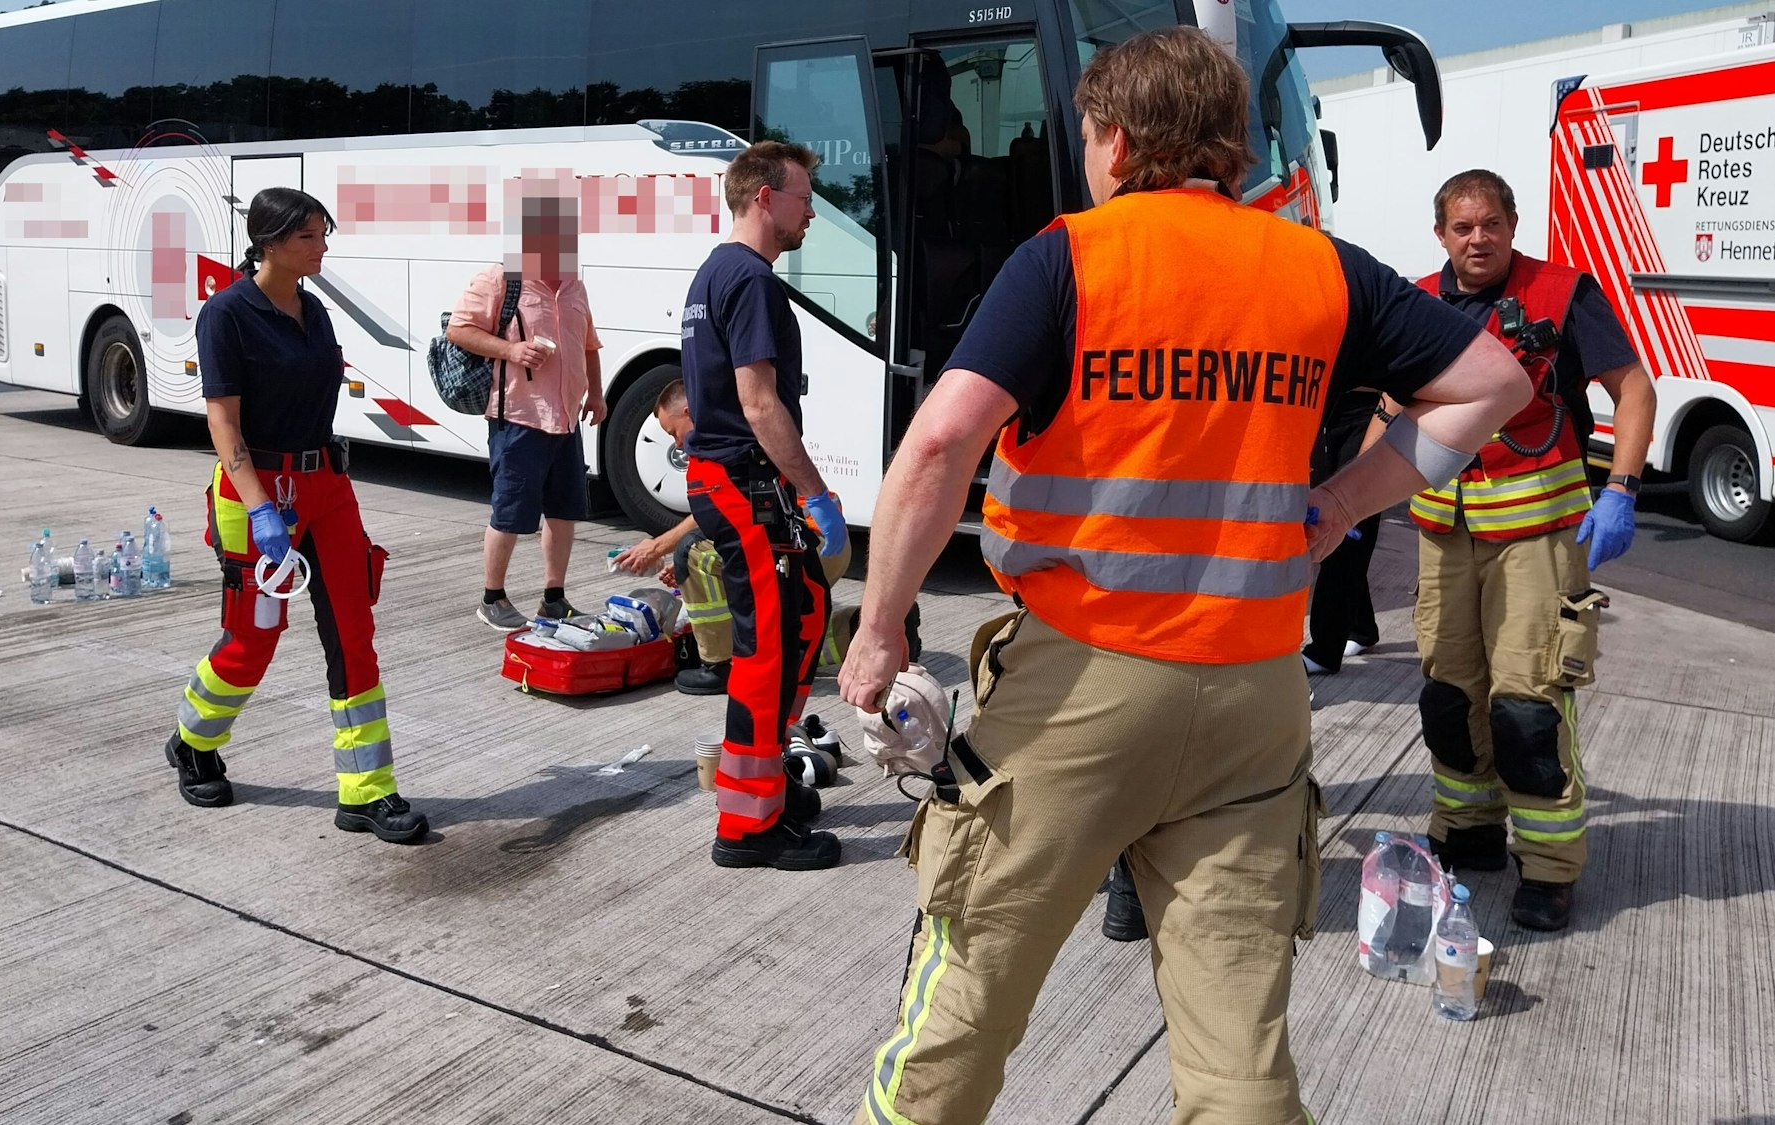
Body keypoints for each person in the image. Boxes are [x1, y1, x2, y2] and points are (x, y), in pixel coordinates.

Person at [835, 27, 1531, 1124]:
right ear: (1230, 144)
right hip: (1254, 693)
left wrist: (877, 630)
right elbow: (1489, 383)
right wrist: (1340, 505)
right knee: (1236, 1047)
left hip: (1080, 692)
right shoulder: (1320, 266)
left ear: (1115, 138)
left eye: (1086, 136)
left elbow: (936, 445)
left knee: (968, 996)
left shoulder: (1070, 255)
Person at [1365, 168, 1657, 932]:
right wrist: (1347, 502)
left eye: (1490, 223)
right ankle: (1469, 832)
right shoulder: (1418, 300)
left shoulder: (1562, 295)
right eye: (1462, 227)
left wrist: (1622, 486)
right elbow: (1393, 407)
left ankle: (1550, 865)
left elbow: (1634, 388)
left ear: (1512, 223)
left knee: (1527, 708)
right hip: (1443, 536)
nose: (1477, 239)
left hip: (1536, 537)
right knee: (1450, 696)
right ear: (1441, 235)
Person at [163, 187, 426, 843]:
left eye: (322, 234)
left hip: (326, 488)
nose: (323, 247)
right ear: (272, 241)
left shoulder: (315, 311)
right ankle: (194, 740)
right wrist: (261, 512)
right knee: (254, 638)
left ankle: (368, 792)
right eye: (310, 236)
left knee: (354, 635)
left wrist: (313, 491)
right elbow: (223, 423)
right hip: (256, 492)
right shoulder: (227, 314)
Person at [680, 140, 850, 871]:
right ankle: (748, 827)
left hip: (741, 482)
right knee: (765, 649)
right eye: (803, 195)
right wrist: (816, 492)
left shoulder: (719, 272)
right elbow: (757, 403)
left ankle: (769, 777)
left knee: (806, 610)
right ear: (763, 198)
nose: (812, 208)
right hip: (744, 482)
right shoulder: (750, 279)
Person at [609, 380, 865, 696]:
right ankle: (862, 630)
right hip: (819, 542)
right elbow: (736, 518)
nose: (676, 444)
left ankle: (720, 665)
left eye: (673, 432)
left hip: (802, 547)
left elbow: (715, 513)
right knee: (784, 639)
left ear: (689, 413)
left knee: (692, 553)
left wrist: (659, 548)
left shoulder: (721, 443)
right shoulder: (738, 428)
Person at [448, 173, 605, 631]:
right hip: (517, 417)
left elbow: (590, 345)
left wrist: (596, 393)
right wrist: (512, 351)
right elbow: (458, 329)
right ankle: (492, 598)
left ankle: (554, 598)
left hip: (565, 420)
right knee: (512, 513)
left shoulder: (575, 283)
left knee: (564, 510)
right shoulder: (502, 279)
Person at [1301, 388, 1386, 676]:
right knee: (1325, 521)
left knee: (1345, 533)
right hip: (1323, 405)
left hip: (1373, 410)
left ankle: (1325, 649)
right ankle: (1361, 627)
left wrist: (1366, 463)